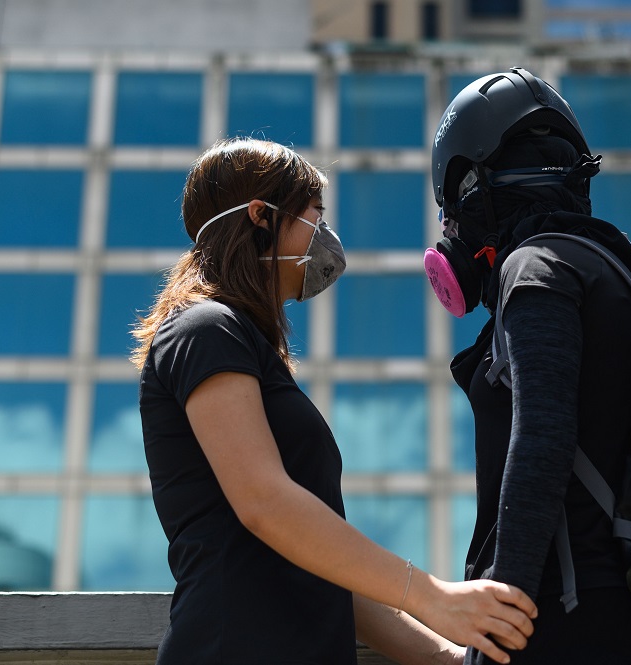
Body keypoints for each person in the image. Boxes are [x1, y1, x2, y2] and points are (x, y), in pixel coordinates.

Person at [131, 137, 537, 665]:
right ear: (261, 216)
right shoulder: (204, 327)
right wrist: (435, 596)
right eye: (314, 217)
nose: (325, 239)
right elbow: (266, 504)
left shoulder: (244, 347)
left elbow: (324, 564)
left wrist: (447, 657)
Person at [425, 68, 631, 663]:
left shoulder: (535, 269)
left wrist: (499, 616)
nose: (450, 232)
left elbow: (543, 435)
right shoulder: (614, 273)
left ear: (478, 187)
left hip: (565, 619)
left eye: (451, 210)